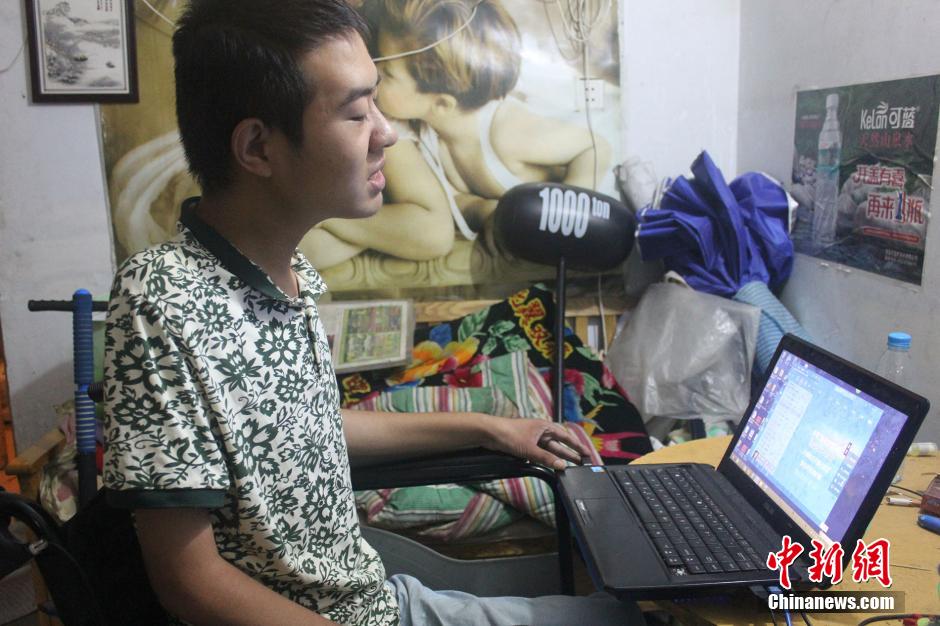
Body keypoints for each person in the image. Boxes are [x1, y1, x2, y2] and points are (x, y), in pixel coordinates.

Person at [102, 1, 642, 624]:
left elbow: (308, 427)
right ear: (257, 147)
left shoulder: (288, 273)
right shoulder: (161, 298)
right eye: (358, 113)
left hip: (380, 601)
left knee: (634, 616)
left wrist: (491, 426)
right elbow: (189, 582)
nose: (387, 133)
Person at [301, 0, 611, 268]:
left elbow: (594, 146)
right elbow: (458, 203)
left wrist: (571, 217)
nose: (375, 77)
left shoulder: (505, 132)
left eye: (388, 74)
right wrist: (485, 212)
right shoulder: (427, 135)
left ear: (441, 103)